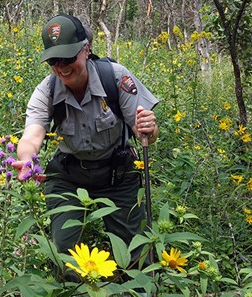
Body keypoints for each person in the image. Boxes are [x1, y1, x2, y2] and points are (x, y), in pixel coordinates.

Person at [12, 14, 159, 280]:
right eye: (54, 61)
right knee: (65, 251)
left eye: (68, 58)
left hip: (117, 174)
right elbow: (32, 136)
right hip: (68, 176)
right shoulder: (46, 90)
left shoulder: (114, 78)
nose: (62, 67)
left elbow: (144, 130)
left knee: (135, 250)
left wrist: (149, 127)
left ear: (86, 49)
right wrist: (27, 160)